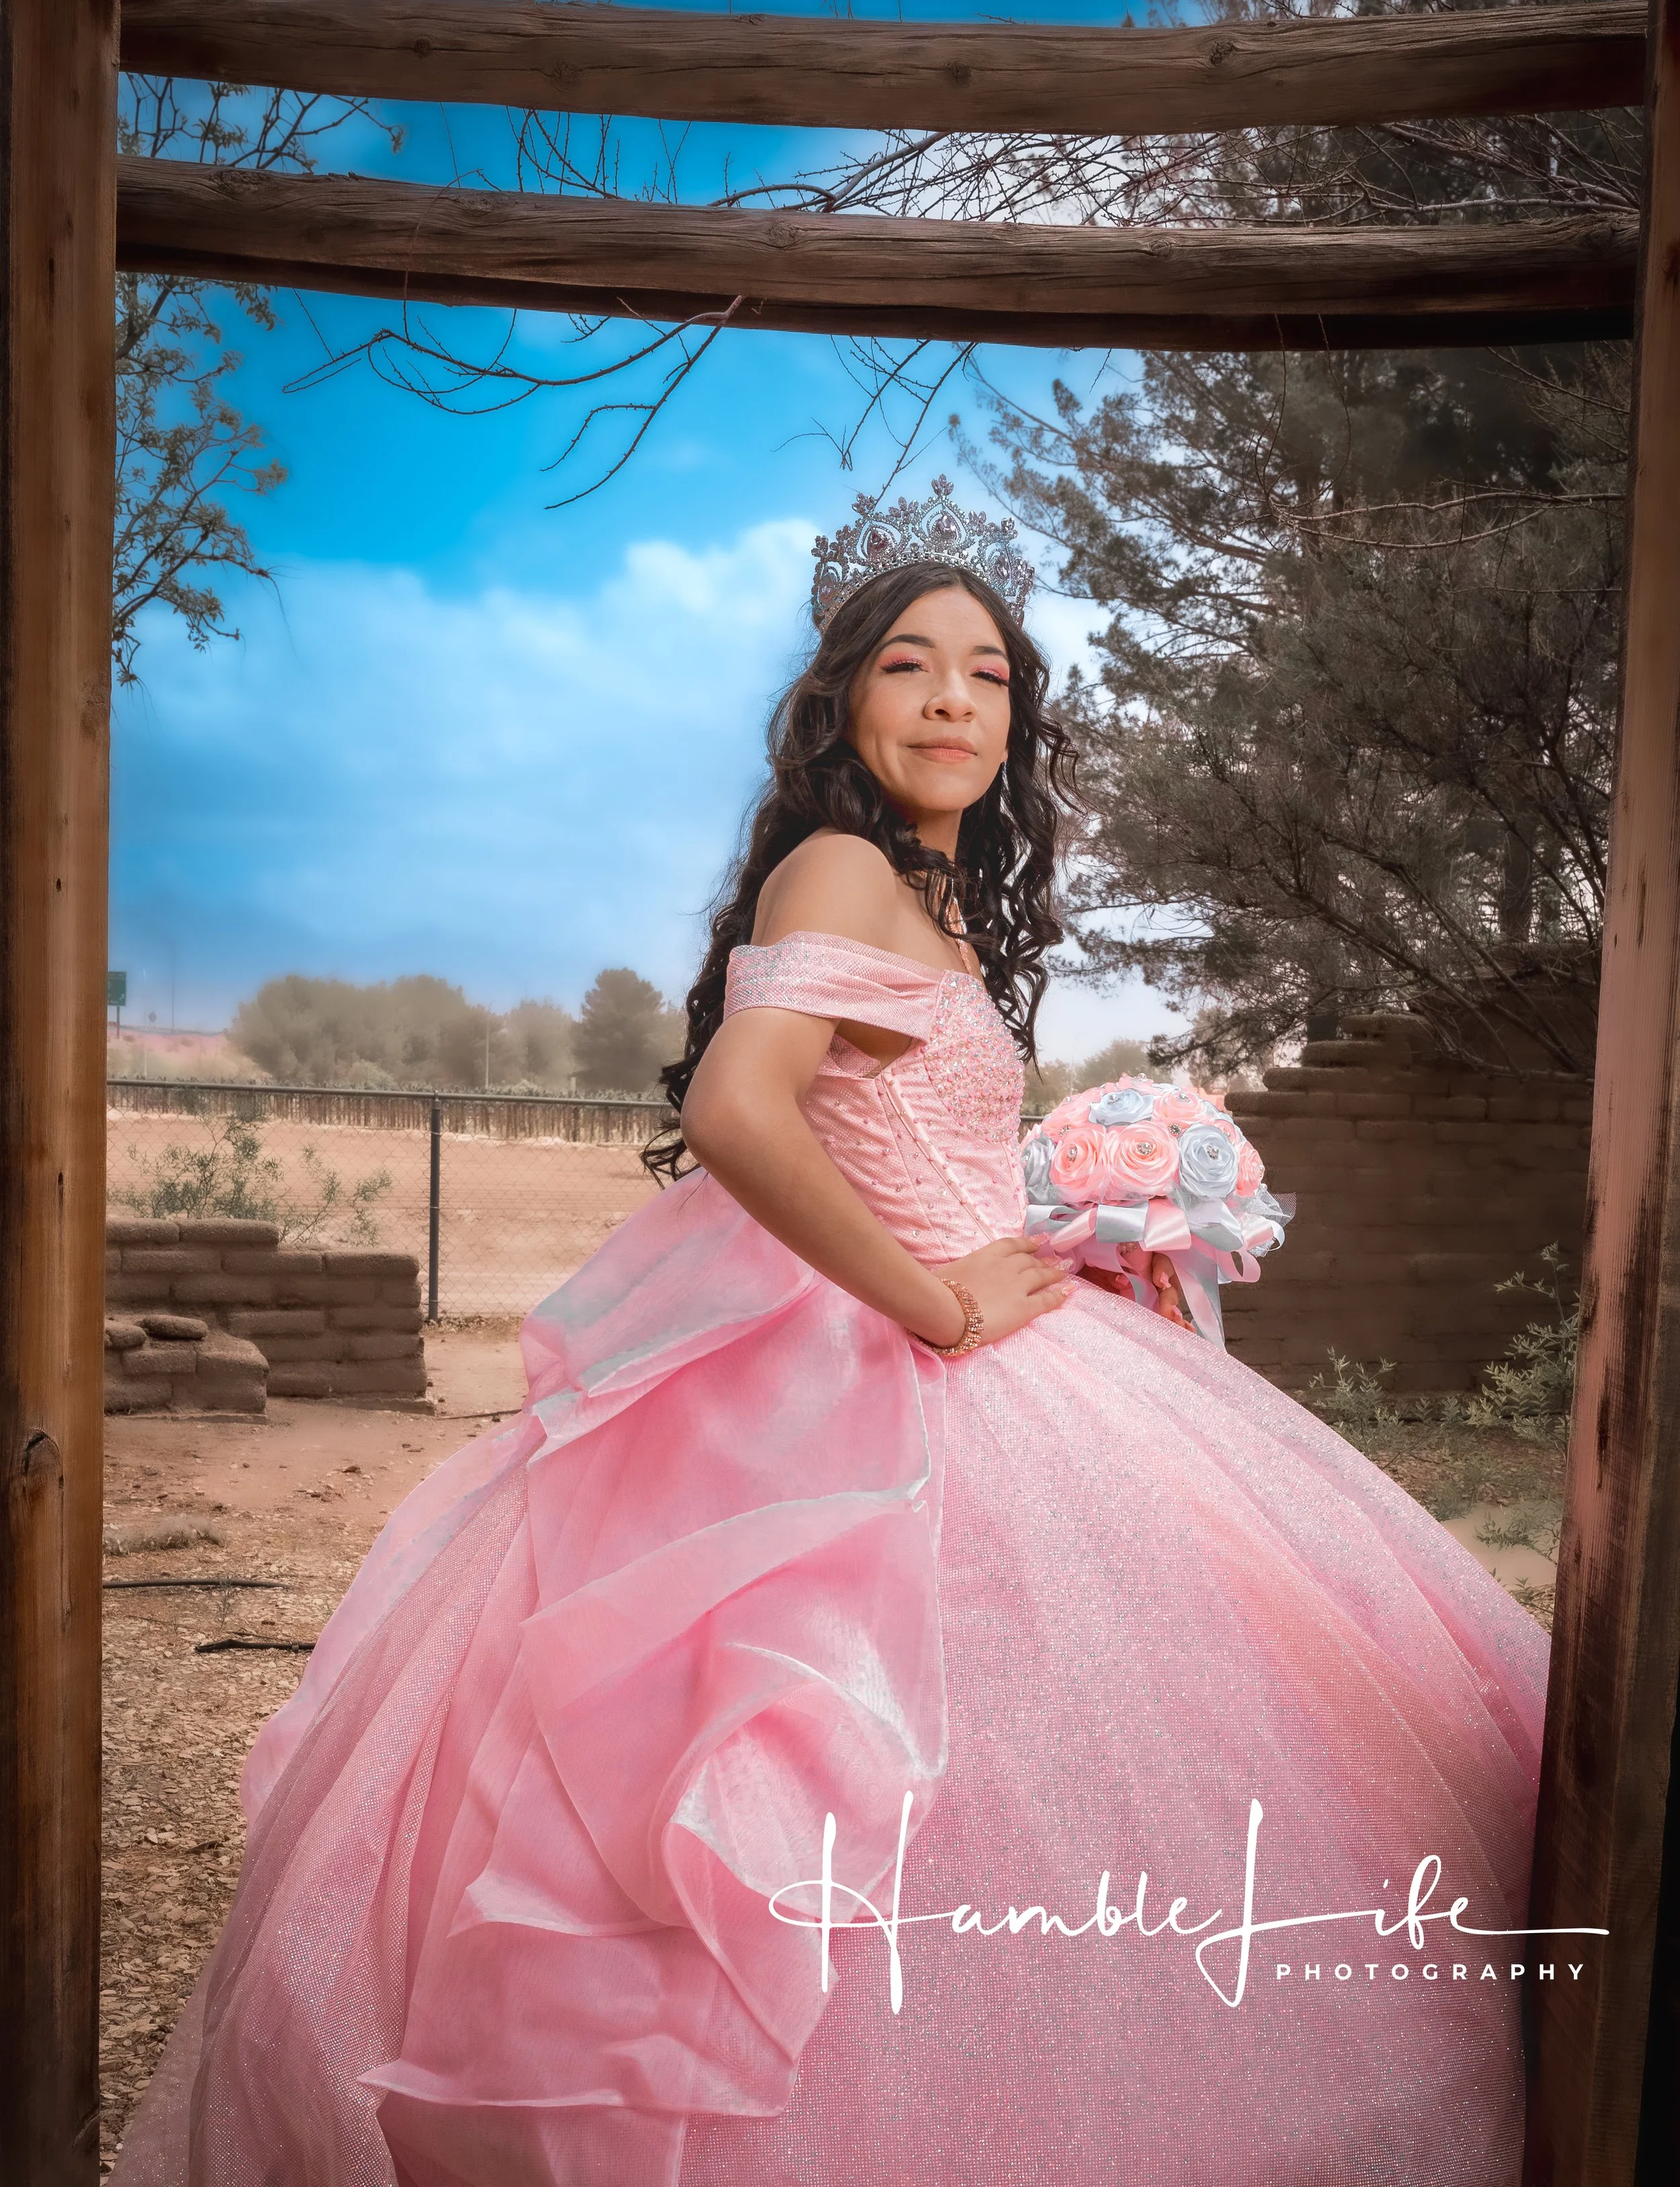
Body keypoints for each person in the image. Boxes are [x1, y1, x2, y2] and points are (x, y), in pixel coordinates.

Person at [114, 481, 1550, 2187]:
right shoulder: (841, 865)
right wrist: (938, 1299)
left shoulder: (929, 901)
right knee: (844, 1768)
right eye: (909, 668)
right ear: (843, 704)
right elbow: (740, 1111)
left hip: (1008, 1356)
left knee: (1058, 1768)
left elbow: (911, 1138)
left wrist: (1072, 1225)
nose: (953, 701)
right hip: (878, 1380)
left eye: (989, 677)